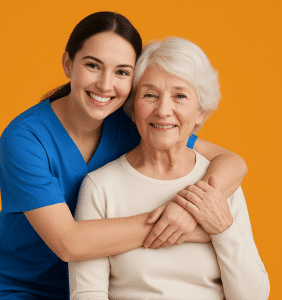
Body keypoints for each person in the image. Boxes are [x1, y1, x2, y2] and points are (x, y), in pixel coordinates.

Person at [0, 12, 247, 300]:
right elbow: (67, 243)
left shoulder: (133, 122)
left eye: (122, 72)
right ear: (68, 64)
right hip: (23, 287)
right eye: (93, 66)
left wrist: (187, 211)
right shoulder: (25, 138)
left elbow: (232, 162)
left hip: (101, 284)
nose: (106, 85)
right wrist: (191, 227)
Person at [69, 37, 270, 300]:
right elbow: (87, 294)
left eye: (180, 96)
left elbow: (254, 296)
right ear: (132, 108)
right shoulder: (101, 187)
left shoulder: (219, 183)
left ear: (200, 112)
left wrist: (223, 230)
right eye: (150, 95)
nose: (163, 110)